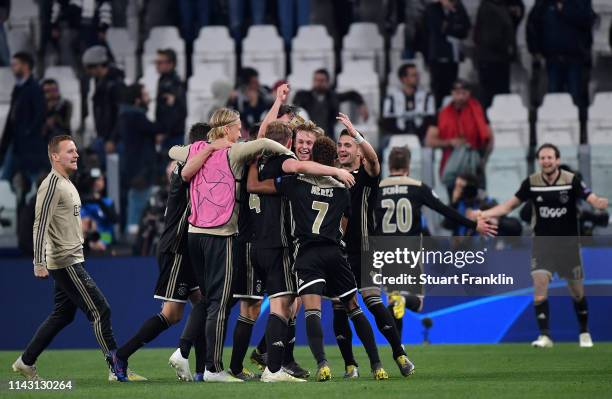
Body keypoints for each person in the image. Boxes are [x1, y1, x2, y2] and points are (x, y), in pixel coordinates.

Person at [168, 108, 298, 382]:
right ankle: (214, 368)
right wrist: (289, 154)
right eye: (237, 127)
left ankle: (185, 351)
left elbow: (172, 151)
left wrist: (204, 150)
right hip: (220, 234)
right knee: (219, 301)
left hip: (194, 234)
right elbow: (263, 143)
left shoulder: (197, 149)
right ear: (227, 128)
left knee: (208, 299)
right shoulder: (234, 151)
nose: (240, 132)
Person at [11, 135, 128, 382]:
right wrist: (38, 262)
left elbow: (59, 223)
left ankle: (26, 361)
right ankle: (116, 369)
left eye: (76, 150)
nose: (76, 155)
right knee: (100, 310)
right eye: (70, 151)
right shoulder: (52, 184)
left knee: (63, 314)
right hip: (66, 261)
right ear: (55, 156)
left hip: (72, 257)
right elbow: (39, 224)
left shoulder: (65, 183)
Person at [114, 123, 224, 382]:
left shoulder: (192, 167)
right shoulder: (186, 171)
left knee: (202, 303)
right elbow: (180, 167)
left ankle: (202, 370)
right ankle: (121, 356)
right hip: (177, 249)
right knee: (172, 314)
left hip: (190, 248)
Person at [274, 136, 388, 381]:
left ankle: (322, 363)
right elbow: (344, 223)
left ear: (313, 157)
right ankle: (377, 365)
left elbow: (266, 184)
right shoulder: (342, 188)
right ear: (334, 159)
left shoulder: (296, 183)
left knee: (312, 311)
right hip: (335, 253)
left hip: (307, 253)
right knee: (354, 308)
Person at [481, 143, 608, 348]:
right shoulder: (531, 183)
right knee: (540, 287)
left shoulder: (570, 180)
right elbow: (509, 206)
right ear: (539, 161)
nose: (546, 161)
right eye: (543, 158)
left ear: (557, 160)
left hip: (568, 246)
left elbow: (589, 196)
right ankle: (545, 336)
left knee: (577, 292)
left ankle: (584, 332)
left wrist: (598, 202)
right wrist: (485, 214)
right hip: (542, 245)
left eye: (550, 158)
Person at [375, 147, 497, 336]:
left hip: (386, 252)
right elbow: (445, 211)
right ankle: (404, 303)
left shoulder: (377, 189)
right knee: (417, 303)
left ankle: (399, 352)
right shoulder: (417, 187)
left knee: (392, 301)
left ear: (388, 165)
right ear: (408, 166)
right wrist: (473, 224)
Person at [333, 113, 415, 379]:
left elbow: (375, 160)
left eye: (348, 145)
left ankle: (399, 353)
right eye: (340, 145)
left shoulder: (367, 175)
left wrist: (355, 132)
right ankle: (350, 365)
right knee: (339, 306)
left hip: (366, 249)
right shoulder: (332, 176)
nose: (342, 149)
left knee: (372, 301)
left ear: (358, 151)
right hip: (339, 253)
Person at [527, 0, 595, 134]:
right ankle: (553, 132)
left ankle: (578, 133)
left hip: (575, 58)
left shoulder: (580, 3)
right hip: (552, 58)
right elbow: (533, 23)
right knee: (553, 98)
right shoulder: (544, 3)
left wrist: (564, 10)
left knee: (575, 97)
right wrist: (535, 49)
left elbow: (587, 20)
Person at [425, 80, 493, 194]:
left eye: (464, 93)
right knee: (454, 204)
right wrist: (450, 142)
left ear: (469, 93)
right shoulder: (442, 114)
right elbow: (429, 140)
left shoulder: (478, 112)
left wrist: (483, 160)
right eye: (457, 93)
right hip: (452, 163)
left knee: (478, 204)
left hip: (474, 164)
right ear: (452, 93)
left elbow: (489, 138)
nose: (461, 96)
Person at [113, 83, 162, 232]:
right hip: (140, 169)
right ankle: (133, 235)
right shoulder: (135, 117)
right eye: (145, 95)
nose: (149, 98)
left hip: (135, 168)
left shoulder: (126, 116)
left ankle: (132, 232)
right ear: (137, 100)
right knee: (138, 202)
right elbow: (159, 127)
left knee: (136, 200)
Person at [0, 52, 47, 201]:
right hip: (16, 145)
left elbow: (40, 114)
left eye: (16, 64)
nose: (13, 68)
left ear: (25, 66)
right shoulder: (18, 89)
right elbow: (12, 118)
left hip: (30, 147)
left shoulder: (34, 88)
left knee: (34, 181)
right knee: (6, 179)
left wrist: (29, 132)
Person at [474, 0, 524, 109]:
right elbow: (489, 37)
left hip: (499, 59)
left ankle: (499, 117)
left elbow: (516, 18)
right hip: (491, 59)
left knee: (500, 93)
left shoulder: (501, 7)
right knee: (490, 94)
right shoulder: (488, 7)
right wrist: (506, 48)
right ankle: (487, 121)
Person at [422, 0, 471, 108]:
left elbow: (465, 27)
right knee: (439, 90)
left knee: (453, 88)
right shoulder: (432, 9)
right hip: (437, 56)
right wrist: (453, 24)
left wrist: (451, 24)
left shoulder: (459, 7)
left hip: (453, 57)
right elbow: (439, 29)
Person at [293, 69, 368, 138]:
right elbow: (296, 110)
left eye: (322, 80)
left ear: (328, 82)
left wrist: (361, 104)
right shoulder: (303, 96)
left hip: (328, 135)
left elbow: (352, 94)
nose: (318, 83)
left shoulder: (333, 97)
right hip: (309, 134)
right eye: (316, 80)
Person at [82, 45, 125, 160]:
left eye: (90, 68)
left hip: (113, 140)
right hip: (103, 137)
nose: (89, 72)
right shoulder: (100, 83)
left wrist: (112, 139)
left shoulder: (115, 85)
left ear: (98, 66)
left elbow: (120, 113)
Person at [380, 63, 437, 143]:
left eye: (417, 75)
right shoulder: (391, 97)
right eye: (414, 75)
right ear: (404, 78)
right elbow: (386, 120)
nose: (417, 78)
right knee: (385, 142)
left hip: (421, 135)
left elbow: (431, 118)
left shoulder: (427, 96)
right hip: (397, 135)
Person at [155, 48, 188, 151]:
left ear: (170, 64)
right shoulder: (163, 80)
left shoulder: (174, 84)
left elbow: (175, 112)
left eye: (160, 62)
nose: (157, 65)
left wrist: (164, 133)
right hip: (169, 134)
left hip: (173, 135)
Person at [227, 67, 272, 133]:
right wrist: (252, 106)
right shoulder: (238, 100)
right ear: (246, 86)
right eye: (254, 82)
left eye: (257, 81)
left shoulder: (263, 95)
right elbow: (245, 122)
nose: (258, 84)